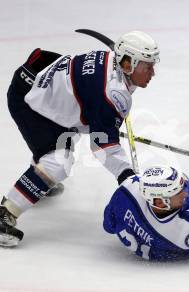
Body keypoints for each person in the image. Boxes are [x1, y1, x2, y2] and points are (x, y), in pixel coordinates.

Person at [0, 31, 160, 247]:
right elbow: (102, 145)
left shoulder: (116, 65)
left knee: (62, 142)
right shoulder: (112, 92)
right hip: (30, 101)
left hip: (44, 85)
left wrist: (103, 122)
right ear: (128, 64)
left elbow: (93, 104)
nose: (152, 72)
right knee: (58, 162)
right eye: (147, 66)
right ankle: (6, 212)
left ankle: (37, 179)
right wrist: (127, 176)